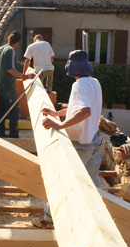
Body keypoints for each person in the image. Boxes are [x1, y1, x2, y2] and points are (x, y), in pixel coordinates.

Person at [33, 50, 102, 229]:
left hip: (79, 145)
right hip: (93, 142)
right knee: (93, 184)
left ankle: (49, 219)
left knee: (60, 180)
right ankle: (97, 221)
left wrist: (60, 126)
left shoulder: (78, 86)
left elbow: (84, 111)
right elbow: (76, 108)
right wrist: (56, 113)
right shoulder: (94, 83)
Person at [0, 31, 35, 138]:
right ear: (18, 42)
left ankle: (0, 132)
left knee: (2, 110)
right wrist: (24, 76)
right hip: (7, 86)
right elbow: (10, 69)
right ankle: (14, 134)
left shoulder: (0, 49)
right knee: (15, 110)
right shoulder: (10, 51)